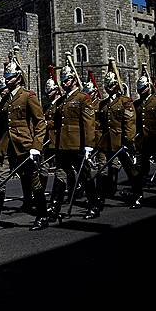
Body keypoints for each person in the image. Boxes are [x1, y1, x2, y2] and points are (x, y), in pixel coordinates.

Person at [0, 52, 48, 229]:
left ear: (18, 77)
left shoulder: (27, 96)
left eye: (11, 76)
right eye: (6, 76)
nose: (7, 79)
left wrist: (36, 146)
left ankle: (42, 215)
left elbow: (40, 122)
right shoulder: (4, 103)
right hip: (6, 146)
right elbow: (0, 127)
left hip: (24, 144)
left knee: (33, 180)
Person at [48, 65, 97, 219]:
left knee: (84, 175)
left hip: (78, 144)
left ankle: (93, 205)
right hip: (63, 145)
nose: (64, 83)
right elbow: (56, 122)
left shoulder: (83, 98)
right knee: (60, 174)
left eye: (67, 80)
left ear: (74, 80)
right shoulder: (62, 100)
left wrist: (89, 145)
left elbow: (89, 123)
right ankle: (54, 207)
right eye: (62, 80)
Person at [94, 68, 138, 209]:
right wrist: (99, 139)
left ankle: (137, 195)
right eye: (107, 86)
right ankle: (99, 198)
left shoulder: (125, 101)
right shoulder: (103, 104)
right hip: (106, 142)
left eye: (112, 85)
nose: (110, 88)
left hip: (121, 141)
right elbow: (99, 123)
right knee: (102, 169)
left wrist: (128, 140)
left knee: (129, 169)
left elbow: (129, 122)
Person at [132, 73, 156, 208]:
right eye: (139, 89)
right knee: (140, 170)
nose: (141, 91)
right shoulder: (136, 104)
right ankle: (138, 195)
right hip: (143, 141)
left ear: (148, 87)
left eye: (143, 88)